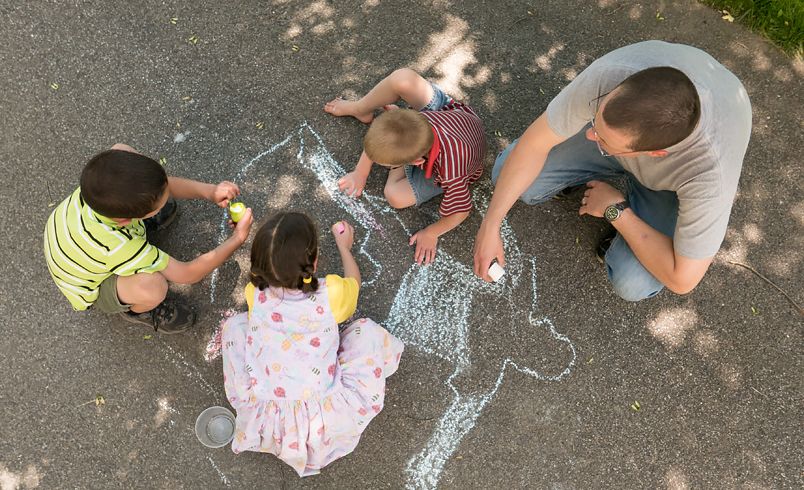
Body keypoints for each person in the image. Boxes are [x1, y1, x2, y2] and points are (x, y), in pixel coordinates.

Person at [473, 41, 751, 301]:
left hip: (670, 187)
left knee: (634, 282)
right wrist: (490, 225)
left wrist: (615, 210)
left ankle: (631, 206)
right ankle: (594, 169)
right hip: (637, 132)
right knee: (509, 178)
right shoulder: (610, 79)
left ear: (654, 154)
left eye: (603, 140)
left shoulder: (708, 175)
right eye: (595, 122)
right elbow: (536, 143)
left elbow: (684, 279)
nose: (590, 135)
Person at [220, 212, 404, 477]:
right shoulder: (332, 294)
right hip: (321, 415)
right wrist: (344, 247)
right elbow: (354, 283)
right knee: (365, 332)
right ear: (314, 263)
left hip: (270, 413)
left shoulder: (254, 293)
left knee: (236, 325)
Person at [43, 144, 254, 332]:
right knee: (153, 286)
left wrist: (209, 191)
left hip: (74, 242)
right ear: (126, 220)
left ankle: (145, 218)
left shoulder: (104, 185)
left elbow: (163, 184)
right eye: (157, 206)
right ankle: (138, 309)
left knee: (123, 149)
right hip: (92, 284)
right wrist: (237, 238)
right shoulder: (120, 247)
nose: (167, 195)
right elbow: (188, 273)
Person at [325, 68, 487, 265]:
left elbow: (461, 211)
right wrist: (360, 172)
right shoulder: (417, 121)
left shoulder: (450, 173)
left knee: (395, 196)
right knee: (402, 78)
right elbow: (387, 135)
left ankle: (396, 157)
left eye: (386, 164)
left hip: (462, 162)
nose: (373, 161)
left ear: (417, 162)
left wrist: (431, 233)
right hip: (455, 122)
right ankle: (360, 108)